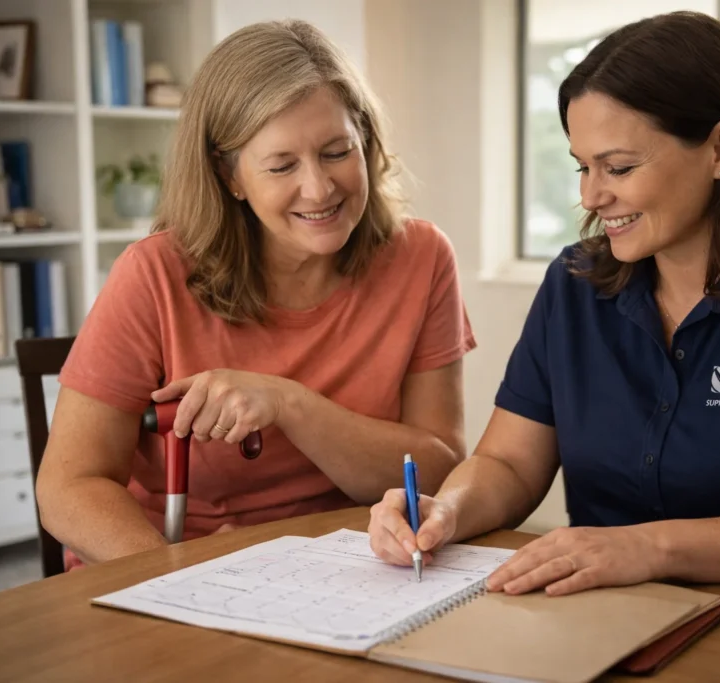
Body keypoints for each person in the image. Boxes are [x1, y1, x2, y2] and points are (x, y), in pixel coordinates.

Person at [368, 11, 720, 595]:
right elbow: (509, 465)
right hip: (606, 624)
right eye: (583, 167)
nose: (591, 195)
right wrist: (447, 511)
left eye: (618, 167)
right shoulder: (575, 283)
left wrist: (647, 546)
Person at [35, 19, 476, 569]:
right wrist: (175, 580)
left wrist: (290, 404)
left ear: (366, 140)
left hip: (347, 567)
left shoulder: (422, 257)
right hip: (176, 564)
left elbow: (435, 468)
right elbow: (68, 485)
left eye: (337, 151)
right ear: (230, 176)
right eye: (282, 165)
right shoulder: (153, 274)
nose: (319, 189)